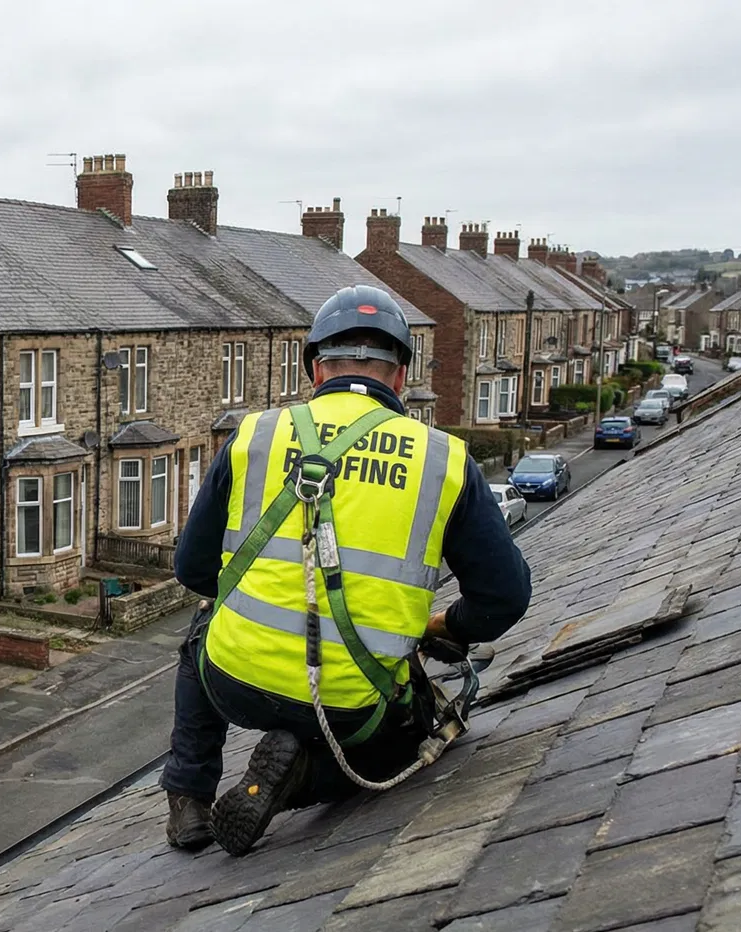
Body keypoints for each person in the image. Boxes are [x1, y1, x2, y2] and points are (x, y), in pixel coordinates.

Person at [163, 285, 532, 856]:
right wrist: (445, 628)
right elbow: (502, 599)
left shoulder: (254, 434)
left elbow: (192, 568)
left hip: (234, 685)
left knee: (199, 635)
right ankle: (302, 776)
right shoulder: (444, 459)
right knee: (416, 740)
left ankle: (188, 795)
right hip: (351, 707)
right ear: (403, 377)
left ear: (315, 368)